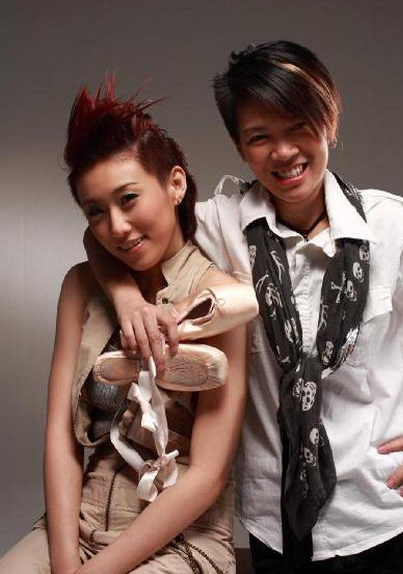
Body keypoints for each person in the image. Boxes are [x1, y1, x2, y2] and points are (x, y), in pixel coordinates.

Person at [83, 42, 403, 573]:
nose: (283, 152)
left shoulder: (393, 229)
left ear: (329, 121)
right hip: (278, 531)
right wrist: (126, 300)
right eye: (260, 137)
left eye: (299, 126)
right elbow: (109, 233)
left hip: (393, 517)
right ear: (240, 146)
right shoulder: (220, 224)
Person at [0, 77, 259, 574]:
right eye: (96, 211)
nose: (116, 227)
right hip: (77, 525)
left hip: (182, 539)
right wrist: (65, 562)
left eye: (129, 199)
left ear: (175, 185)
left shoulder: (219, 300)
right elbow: (60, 437)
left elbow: (207, 475)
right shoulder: (81, 286)